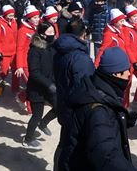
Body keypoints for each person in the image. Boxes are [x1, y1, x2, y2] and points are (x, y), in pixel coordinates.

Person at [66, 47, 137, 170]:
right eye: (127, 71)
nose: (129, 76)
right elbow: (106, 155)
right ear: (116, 74)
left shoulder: (95, 88)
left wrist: (122, 119)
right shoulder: (98, 110)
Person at [53, 19, 95, 171]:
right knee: (72, 146)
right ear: (83, 34)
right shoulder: (80, 57)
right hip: (75, 108)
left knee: (64, 141)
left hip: (63, 101)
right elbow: (86, 87)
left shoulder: (60, 49)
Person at [24, 23, 58, 148]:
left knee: (59, 107)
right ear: (42, 34)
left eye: (53, 32)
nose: (52, 35)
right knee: (37, 114)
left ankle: (43, 124)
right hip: (37, 88)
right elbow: (34, 73)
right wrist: (49, 84)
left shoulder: (52, 47)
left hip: (50, 85)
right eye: (50, 32)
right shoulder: (34, 50)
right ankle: (28, 138)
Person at [15, 5, 41, 111]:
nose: (37, 19)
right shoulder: (22, 30)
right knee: (32, 84)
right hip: (25, 63)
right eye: (34, 18)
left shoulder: (35, 28)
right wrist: (19, 66)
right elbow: (20, 49)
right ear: (28, 18)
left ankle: (22, 97)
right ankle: (30, 107)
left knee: (35, 84)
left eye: (38, 17)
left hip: (34, 61)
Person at [122, 5, 137, 108]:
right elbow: (127, 46)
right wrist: (133, 61)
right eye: (133, 16)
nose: (136, 18)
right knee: (128, 84)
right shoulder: (126, 28)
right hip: (129, 60)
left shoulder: (136, 26)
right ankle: (125, 105)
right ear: (128, 17)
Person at [0, 5, 18, 89]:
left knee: (16, 71)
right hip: (4, 52)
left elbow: (16, 36)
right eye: (9, 14)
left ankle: (15, 88)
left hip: (14, 51)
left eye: (12, 14)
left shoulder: (14, 22)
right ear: (5, 14)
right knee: (3, 72)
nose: (11, 16)